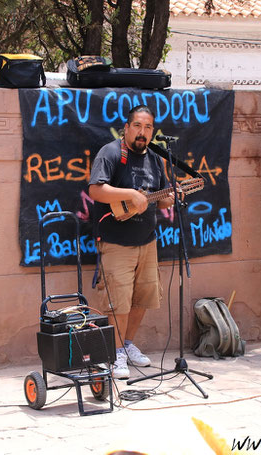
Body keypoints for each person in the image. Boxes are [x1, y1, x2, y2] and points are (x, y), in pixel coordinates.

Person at [88, 105, 174, 379]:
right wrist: (130, 194)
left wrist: (168, 199)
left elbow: (160, 198)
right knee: (118, 302)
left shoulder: (155, 159)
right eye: (137, 126)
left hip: (147, 241)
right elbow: (96, 189)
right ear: (126, 128)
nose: (142, 132)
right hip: (116, 242)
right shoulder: (111, 153)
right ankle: (115, 355)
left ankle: (125, 345)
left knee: (142, 298)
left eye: (148, 127)